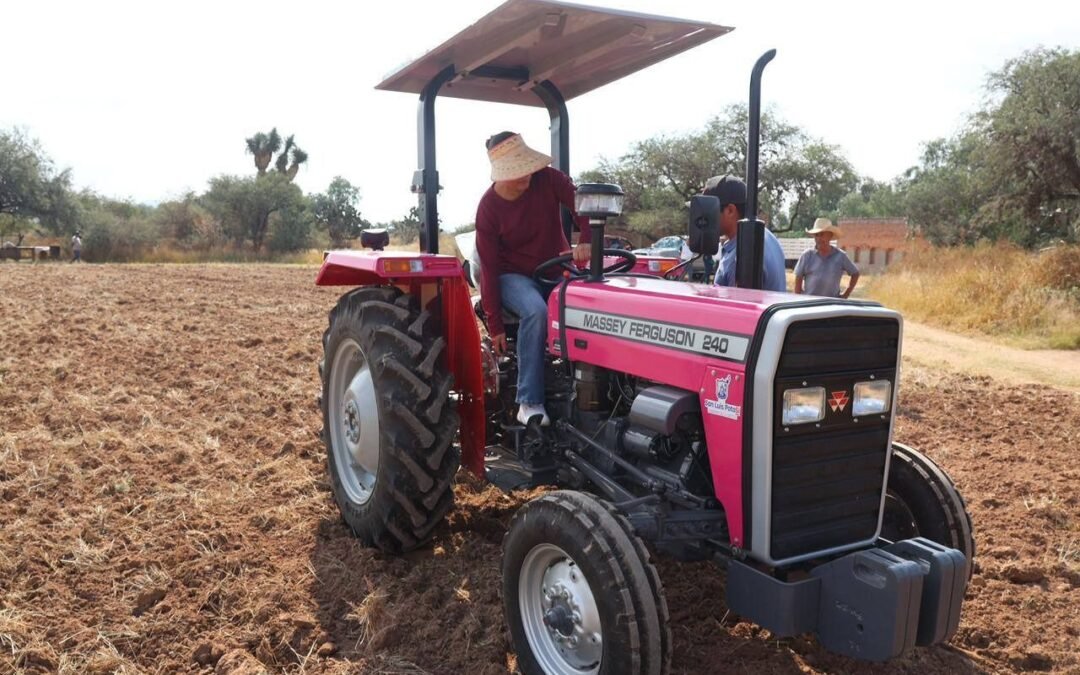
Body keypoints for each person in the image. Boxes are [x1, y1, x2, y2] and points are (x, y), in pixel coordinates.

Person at [475, 131, 592, 426]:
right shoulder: (488, 208)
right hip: (512, 276)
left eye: (526, 168)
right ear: (501, 174)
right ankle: (529, 402)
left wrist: (586, 239)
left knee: (592, 302)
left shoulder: (548, 179)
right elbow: (488, 269)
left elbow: (582, 205)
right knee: (535, 309)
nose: (525, 176)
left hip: (555, 268)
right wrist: (495, 324)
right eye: (517, 172)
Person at [705, 175, 787, 292]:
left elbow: (733, 309)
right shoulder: (766, 236)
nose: (704, 218)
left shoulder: (740, 257)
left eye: (709, 211)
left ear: (730, 211)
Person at [794, 218, 860, 298]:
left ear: (830, 235)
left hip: (831, 305)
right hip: (809, 305)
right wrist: (798, 300)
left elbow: (855, 273)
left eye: (821, 234)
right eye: (816, 235)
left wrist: (846, 294)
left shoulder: (840, 256)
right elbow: (798, 279)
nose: (818, 238)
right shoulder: (807, 256)